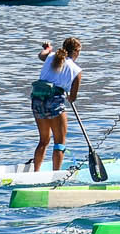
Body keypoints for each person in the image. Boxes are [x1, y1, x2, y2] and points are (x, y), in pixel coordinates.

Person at [30, 37, 83, 171]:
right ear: (75, 52)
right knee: (59, 143)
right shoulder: (76, 70)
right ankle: (56, 174)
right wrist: (68, 95)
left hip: (37, 100)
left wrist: (47, 49)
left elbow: (41, 55)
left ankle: (35, 172)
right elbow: (72, 98)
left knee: (43, 140)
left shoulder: (51, 56)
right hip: (54, 102)